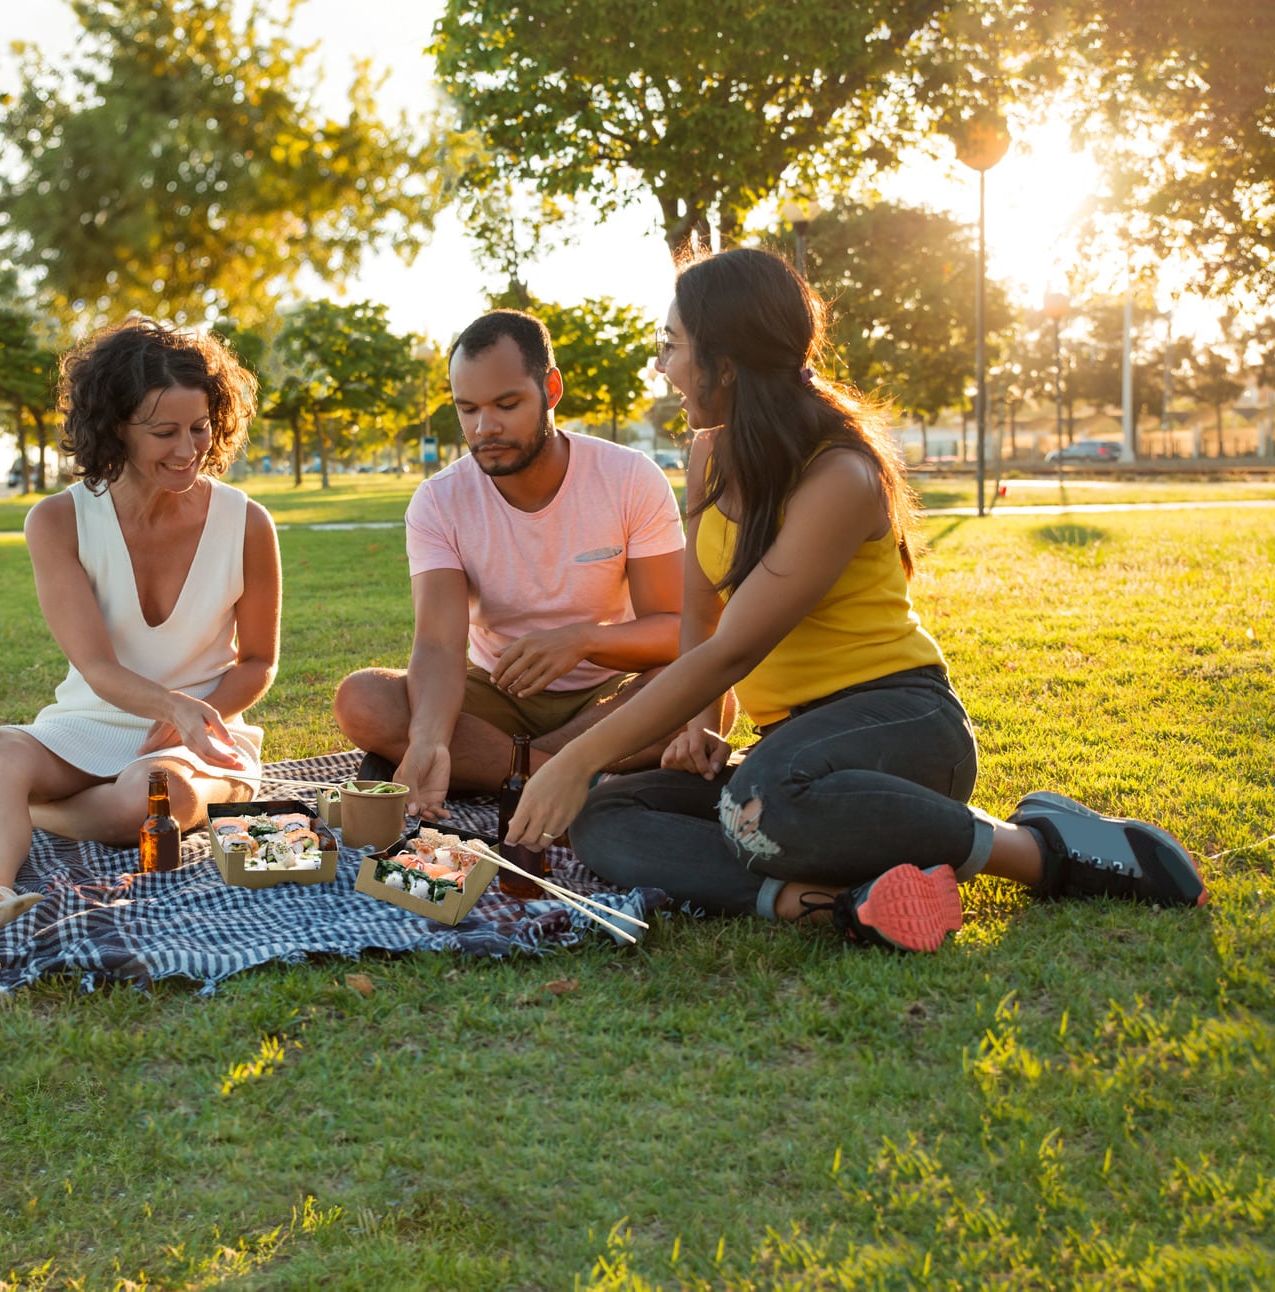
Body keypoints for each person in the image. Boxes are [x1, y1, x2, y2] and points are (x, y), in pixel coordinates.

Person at [503, 248, 1207, 951]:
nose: (661, 366)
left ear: (727, 359)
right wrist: (697, 720)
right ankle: (832, 902)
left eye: (671, 346)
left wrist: (574, 758)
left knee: (766, 808)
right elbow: (701, 618)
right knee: (608, 816)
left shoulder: (840, 473)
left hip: (902, 725)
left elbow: (735, 647)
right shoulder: (707, 457)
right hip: (793, 749)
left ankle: (1040, 848)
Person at [0, 319, 282, 965]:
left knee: (152, 801)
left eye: (200, 426)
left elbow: (259, 660)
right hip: (97, 717)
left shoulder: (247, 522)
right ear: (115, 424)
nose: (188, 449)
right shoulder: (58, 520)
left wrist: (192, 717)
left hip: (201, 732)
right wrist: (167, 704)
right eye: (164, 431)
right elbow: (94, 665)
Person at [333, 309, 686, 821]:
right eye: (467, 408)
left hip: (609, 691)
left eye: (507, 404)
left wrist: (583, 639)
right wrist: (430, 738)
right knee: (363, 700)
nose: (485, 427)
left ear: (552, 388)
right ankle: (564, 777)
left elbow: (677, 633)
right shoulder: (438, 501)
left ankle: (511, 768)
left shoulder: (630, 477)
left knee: (695, 699)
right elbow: (437, 643)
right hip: (500, 692)